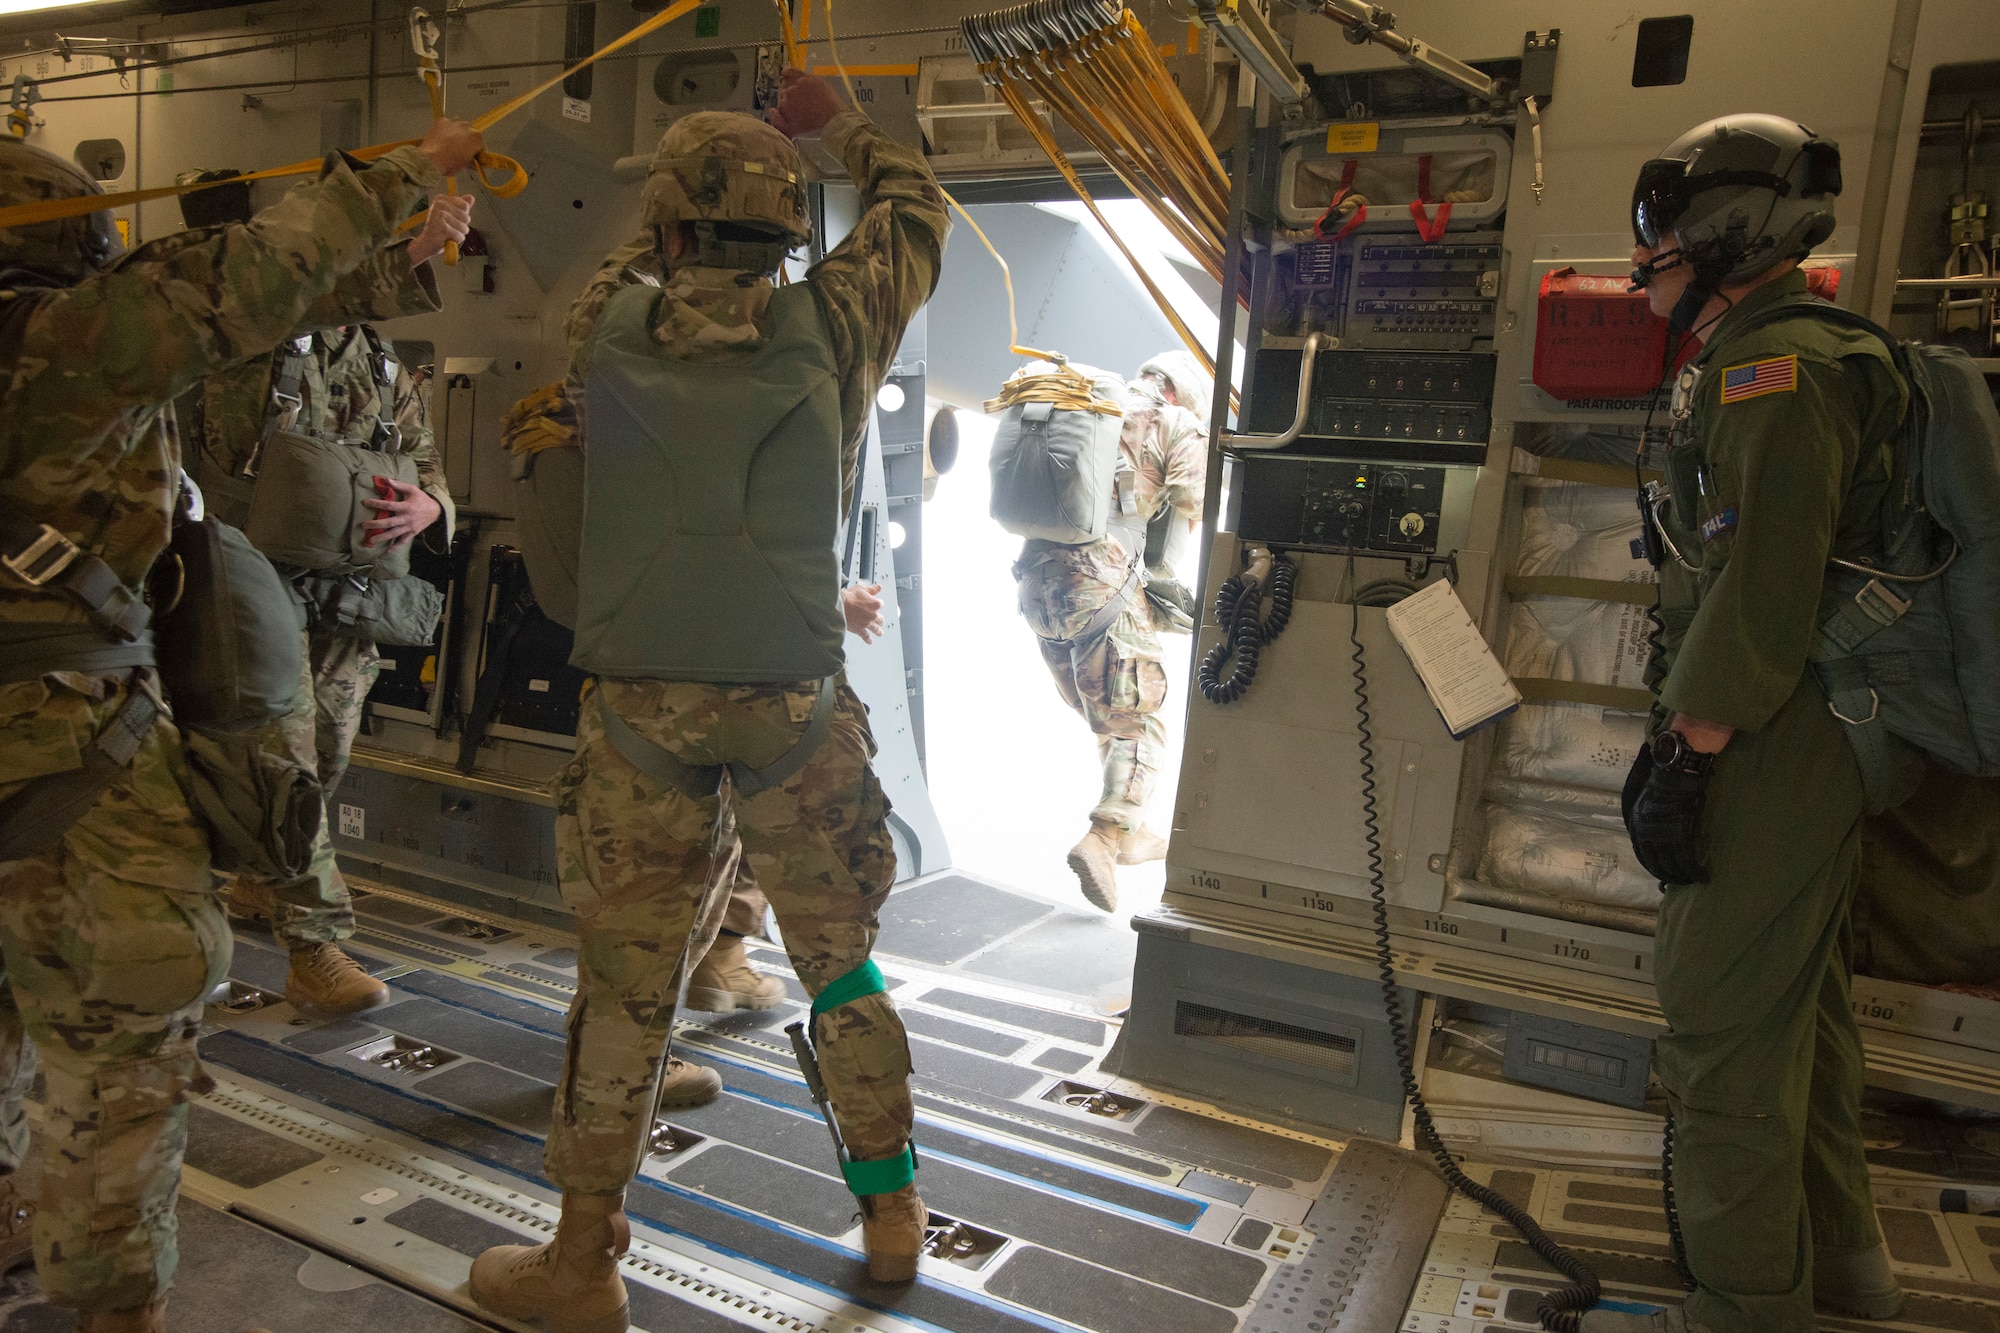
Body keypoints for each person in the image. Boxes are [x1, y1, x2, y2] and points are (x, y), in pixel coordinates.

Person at [468, 70, 945, 1333]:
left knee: (624, 986)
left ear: (668, 221)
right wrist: (831, 122)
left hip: (639, 713)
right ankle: (890, 1214)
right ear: (794, 227)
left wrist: (685, 185)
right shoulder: (841, 322)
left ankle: (580, 1265)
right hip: (795, 700)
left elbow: (650, 249)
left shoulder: (601, 323)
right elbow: (917, 205)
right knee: (841, 971)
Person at [0, 119, 482, 1331]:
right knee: (118, 1062)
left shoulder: (364, 368)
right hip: (74, 758)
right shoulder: (76, 341)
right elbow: (256, 280)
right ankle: (107, 1303)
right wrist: (399, 172)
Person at [1596, 115, 1905, 1333]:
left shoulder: (1772, 368)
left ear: (1728, 230)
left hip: (1774, 734)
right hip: (1809, 725)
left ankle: (1738, 1310)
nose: (1648, 261)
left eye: (1664, 233)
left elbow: (1767, 583)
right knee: (1802, 1021)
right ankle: (1840, 1275)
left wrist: (1690, 746)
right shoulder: (1790, 353)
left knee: (1720, 1017)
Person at [179, 177, 472, 1017]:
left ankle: (256, 880)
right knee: (289, 761)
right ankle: (317, 948)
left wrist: (431, 507)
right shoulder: (255, 340)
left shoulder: (383, 363)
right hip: (253, 587)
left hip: (347, 597)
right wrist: (413, 243)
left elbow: (424, 459)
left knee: (329, 753)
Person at [1016, 351, 1208, 912]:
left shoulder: (1087, 406)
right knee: (1138, 724)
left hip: (1038, 588)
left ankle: (1132, 831)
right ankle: (1104, 838)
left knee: (1108, 712)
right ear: (1183, 395)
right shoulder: (1175, 423)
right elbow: (1196, 499)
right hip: (1103, 587)